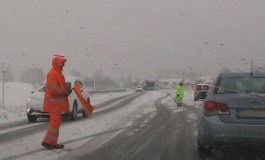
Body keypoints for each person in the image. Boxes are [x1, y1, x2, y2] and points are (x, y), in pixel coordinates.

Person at [41, 55, 69, 150]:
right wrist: (64, 92)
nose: (63, 66)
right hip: (52, 103)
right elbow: (53, 89)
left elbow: (58, 88)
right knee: (55, 122)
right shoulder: (53, 74)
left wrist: (65, 91)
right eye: (62, 64)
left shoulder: (58, 74)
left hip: (55, 104)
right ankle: (47, 141)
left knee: (57, 122)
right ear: (58, 64)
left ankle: (52, 142)